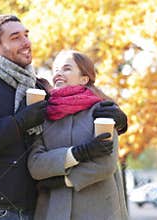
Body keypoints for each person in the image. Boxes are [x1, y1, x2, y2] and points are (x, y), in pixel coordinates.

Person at [0, 14, 128, 220]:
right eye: (15, 37)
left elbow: (75, 112)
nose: (26, 42)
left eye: (26, 35)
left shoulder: (39, 86)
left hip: (38, 208)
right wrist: (19, 123)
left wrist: (120, 120)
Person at [27, 50, 129, 220]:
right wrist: (77, 154)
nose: (59, 73)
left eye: (66, 68)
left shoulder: (102, 110)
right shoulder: (43, 114)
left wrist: (64, 181)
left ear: (84, 78)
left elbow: (106, 164)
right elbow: (36, 165)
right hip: (53, 211)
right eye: (56, 69)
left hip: (99, 210)